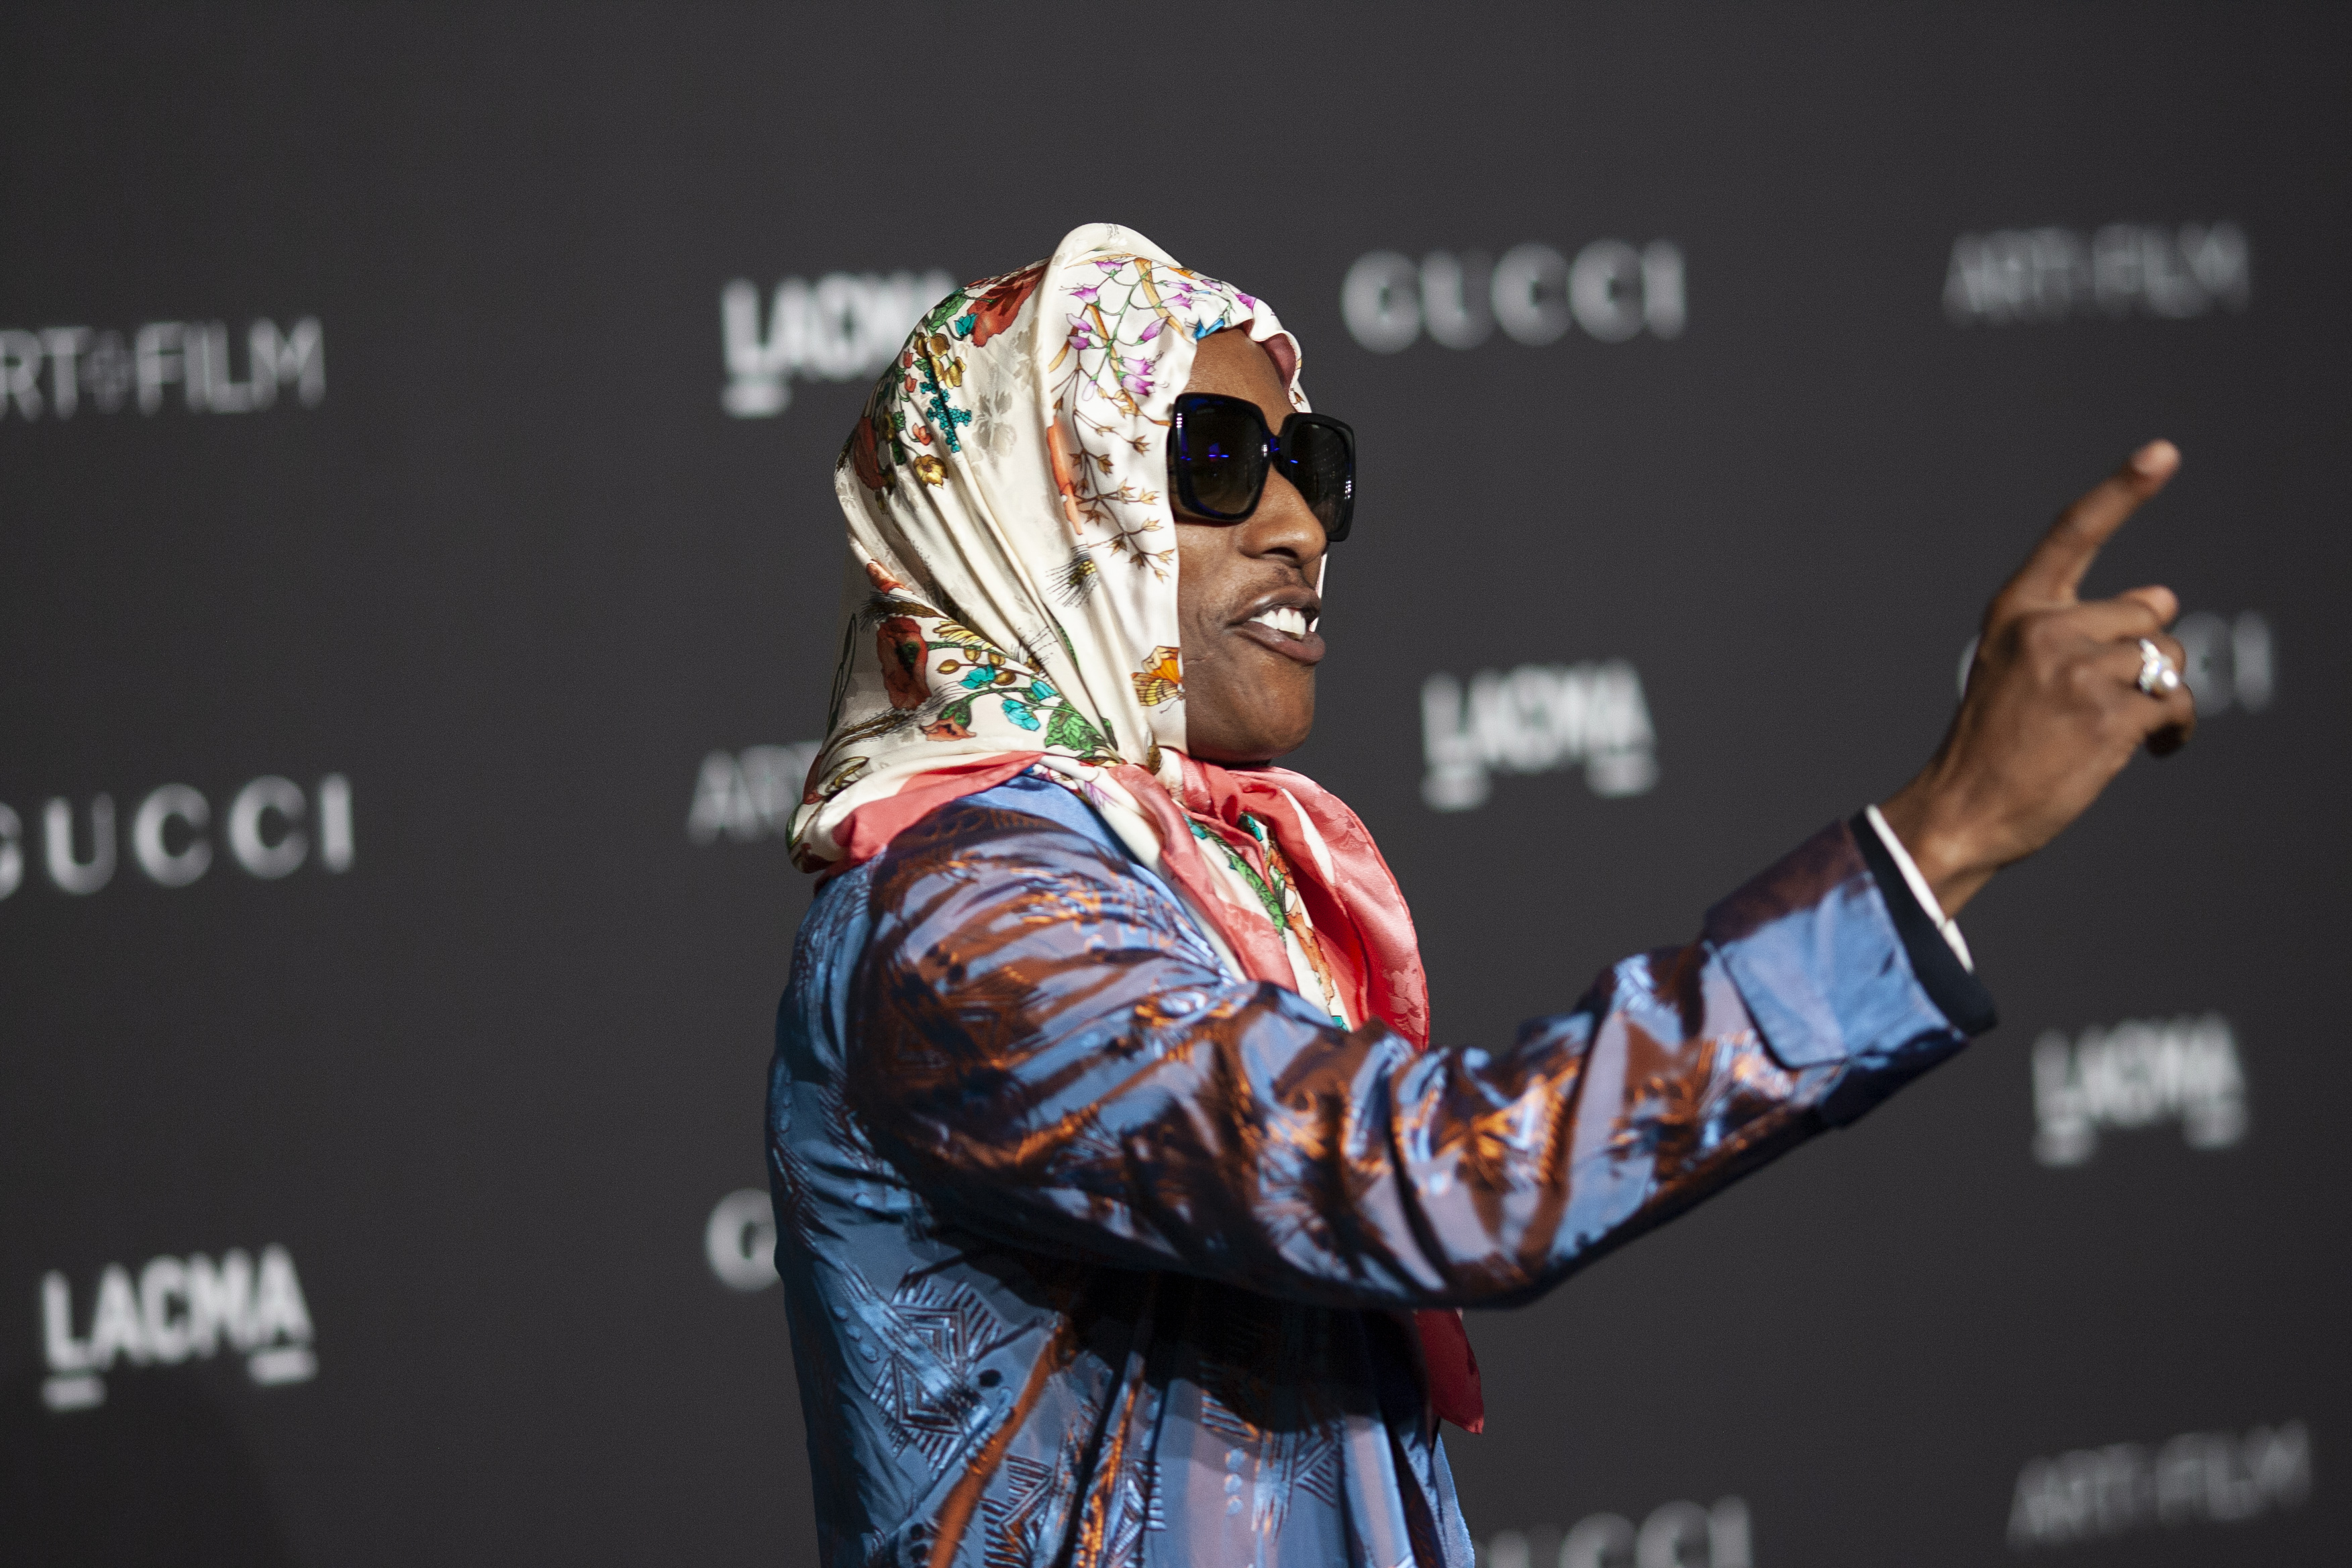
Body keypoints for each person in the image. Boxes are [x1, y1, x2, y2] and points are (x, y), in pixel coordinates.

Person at [765, 223, 2194, 1568]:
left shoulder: (1180, 871)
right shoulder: (963, 923)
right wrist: (1941, 834)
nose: (1297, 526)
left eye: (1306, 464)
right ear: (1032, 513)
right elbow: (1438, 1180)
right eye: (1209, 460)